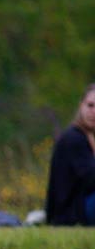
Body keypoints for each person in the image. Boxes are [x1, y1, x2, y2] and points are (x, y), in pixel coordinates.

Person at [44, 85, 95, 227]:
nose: (93, 111)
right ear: (81, 106)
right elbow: (90, 179)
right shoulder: (73, 139)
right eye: (90, 105)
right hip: (69, 214)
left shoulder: (88, 137)